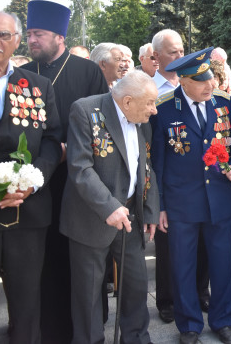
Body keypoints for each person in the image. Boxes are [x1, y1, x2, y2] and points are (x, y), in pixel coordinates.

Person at [22, 0, 109, 343]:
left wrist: (70, 153)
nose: (32, 41)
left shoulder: (88, 72)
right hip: (37, 183)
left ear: (59, 36)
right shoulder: (24, 74)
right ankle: (50, 330)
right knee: (45, 261)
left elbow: (100, 129)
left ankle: (88, 328)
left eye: (38, 34)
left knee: (83, 262)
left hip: (78, 182)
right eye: (29, 34)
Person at [0, 11, 61, 344]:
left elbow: (54, 141)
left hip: (27, 212)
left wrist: (33, 178)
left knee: (28, 304)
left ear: (16, 39)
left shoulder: (37, 86)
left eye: (2, 35)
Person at [151, 49, 231, 344]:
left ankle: (224, 320)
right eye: (201, 80)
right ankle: (189, 324)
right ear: (183, 81)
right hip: (181, 203)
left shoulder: (224, 104)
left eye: (212, 78)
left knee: (223, 264)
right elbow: (158, 163)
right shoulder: (164, 109)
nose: (210, 85)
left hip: (220, 199)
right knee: (183, 266)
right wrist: (160, 206)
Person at [61, 71, 158, 344]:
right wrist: (108, 207)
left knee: (136, 284)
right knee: (88, 291)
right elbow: (80, 168)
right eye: (150, 103)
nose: (154, 109)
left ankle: (136, 338)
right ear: (127, 101)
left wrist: (149, 209)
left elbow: (146, 167)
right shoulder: (85, 110)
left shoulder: (142, 120)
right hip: (91, 217)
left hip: (129, 216)